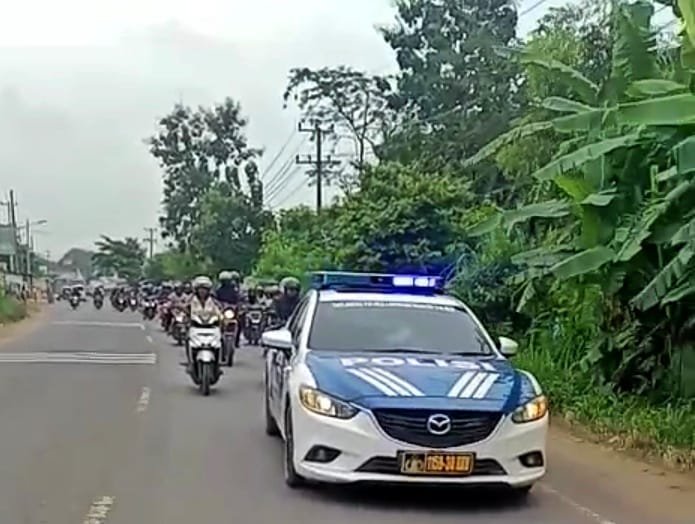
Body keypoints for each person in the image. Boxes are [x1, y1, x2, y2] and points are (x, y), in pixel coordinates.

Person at [186, 275, 221, 372]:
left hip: (211, 326)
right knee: (188, 339)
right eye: (200, 289)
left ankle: (217, 366)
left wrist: (221, 317)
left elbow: (218, 310)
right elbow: (185, 308)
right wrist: (186, 316)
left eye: (205, 289)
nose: (202, 291)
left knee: (219, 342)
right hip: (195, 326)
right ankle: (191, 363)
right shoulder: (191, 299)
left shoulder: (213, 300)